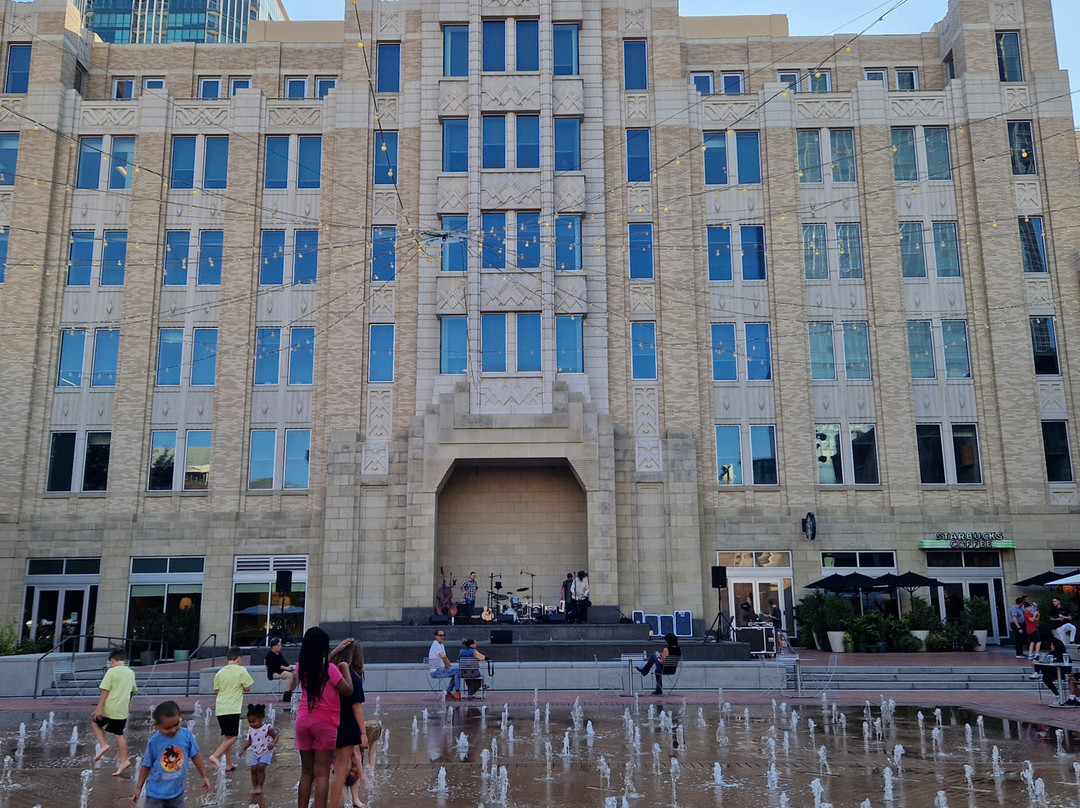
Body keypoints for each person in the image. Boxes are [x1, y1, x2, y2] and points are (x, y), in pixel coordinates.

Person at [295, 628, 355, 808]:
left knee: (306, 773)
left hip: (303, 721)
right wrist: (345, 669)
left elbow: (316, 664)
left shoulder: (301, 668)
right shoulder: (331, 670)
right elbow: (348, 691)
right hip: (325, 723)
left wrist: (336, 651)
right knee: (322, 774)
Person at [130, 700, 211, 807]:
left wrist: (204, 776)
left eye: (176, 724)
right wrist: (138, 788)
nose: (173, 730)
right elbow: (146, 766)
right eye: (167, 728)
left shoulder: (186, 736)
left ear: (180, 717)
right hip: (155, 794)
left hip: (177, 793)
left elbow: (196, 756)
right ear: (156, 725)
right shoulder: (154, 742)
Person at [328, 641, 368, 808]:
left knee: (334, 767)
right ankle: (337, 803)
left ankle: (340, 801)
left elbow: (323, 663)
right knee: (344, 768)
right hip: (348, 726)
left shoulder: (332, 674)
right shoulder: (353, 678)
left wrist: (335, 651)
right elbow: (356, 706)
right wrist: (363, 733)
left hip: (331, 723)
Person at [91, 648, 138, 776]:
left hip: (109, 708)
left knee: (95, 723)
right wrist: (127, 704)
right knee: (119, 734)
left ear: (112, 661)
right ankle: (124, 760)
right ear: (124, 660)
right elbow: (132, 691)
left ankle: (103, 745)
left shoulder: (111, 672)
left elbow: (105, 691)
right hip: (122, 710)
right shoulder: (130, 673)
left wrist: (99, 708)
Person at [209, 646, 254, 772]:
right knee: (233, 737)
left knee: (227, 737)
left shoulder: (219, 672)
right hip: (232, 708)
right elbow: (247, 688)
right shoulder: (241, 670)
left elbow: (217, 691)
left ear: (226, 659)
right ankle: (215, 756)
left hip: (220, 708)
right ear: (239, 659)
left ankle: (229, 763)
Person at [239, 703, 278, 796]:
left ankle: (260, 786)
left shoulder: (266, 728)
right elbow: (250, 740)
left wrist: (273, 743)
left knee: (261, 767)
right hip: (256, 752)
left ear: (261, 718)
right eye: (250, 722)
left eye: (253, 721)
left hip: (266, 752)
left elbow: (276, 736)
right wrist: (243, 749)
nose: (251, 724)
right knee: (253, 769)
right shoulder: (251, 729)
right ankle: (255, 786)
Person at [265, 636, 298, 706]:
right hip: (274, 672)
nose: (280, 647)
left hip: (282, 671)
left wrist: (290, 667)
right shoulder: (270, 655)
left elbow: (284, 663)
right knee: (289, 675)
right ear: (273, 646)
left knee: (295, 674)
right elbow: (275, 666)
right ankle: (286, 694)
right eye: (278, 645)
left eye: (280, 645)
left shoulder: (279, 654)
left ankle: (290, 691)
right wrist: (286, 668)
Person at [428, 629, 460, 699]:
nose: (442, 637)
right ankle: (457, 691)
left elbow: (445, 657)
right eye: (440, 635)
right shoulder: (436, 644)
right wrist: (447, 666)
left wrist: (449, 666)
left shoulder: (441, 645)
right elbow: (443, 657)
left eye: (443, 635)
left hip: (440, 669)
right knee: (459, 670)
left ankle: (449, 693)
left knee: (457, 672)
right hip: (436, 671)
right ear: (436, 636)